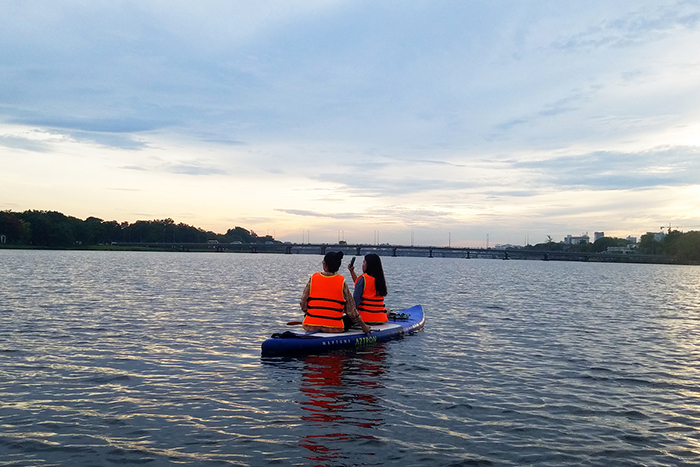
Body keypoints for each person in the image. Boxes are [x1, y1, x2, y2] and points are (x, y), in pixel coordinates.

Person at [300, 251, 371, 334]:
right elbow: (352, 311)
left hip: (310, 326)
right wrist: (364, 326)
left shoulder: (313, 279)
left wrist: (310, 313)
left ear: (325, 265)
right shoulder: (342, 282)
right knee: (350, 319)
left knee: (308, 315)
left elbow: (303, 303)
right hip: (334, 328)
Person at [348, 253, 388, 324]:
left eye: (364, 262)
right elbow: (360, 285)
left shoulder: (363, 279)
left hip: (364, 320)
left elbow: (355, 302)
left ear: (369, 265)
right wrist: (352, 272)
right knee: (388, 310)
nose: (362, 265)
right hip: (380, 320)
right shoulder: (380, 280)